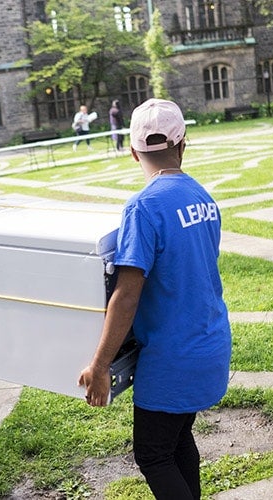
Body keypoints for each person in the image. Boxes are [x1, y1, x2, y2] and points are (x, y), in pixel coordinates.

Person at [78, 99, 231, 500]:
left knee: (152, 454)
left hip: (173, 355)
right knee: (177, 440)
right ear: (183, 145)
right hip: (209, 342)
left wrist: (99, 365)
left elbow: (126, 296)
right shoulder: (202, 196)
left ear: (132, 151)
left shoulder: (143, 206)